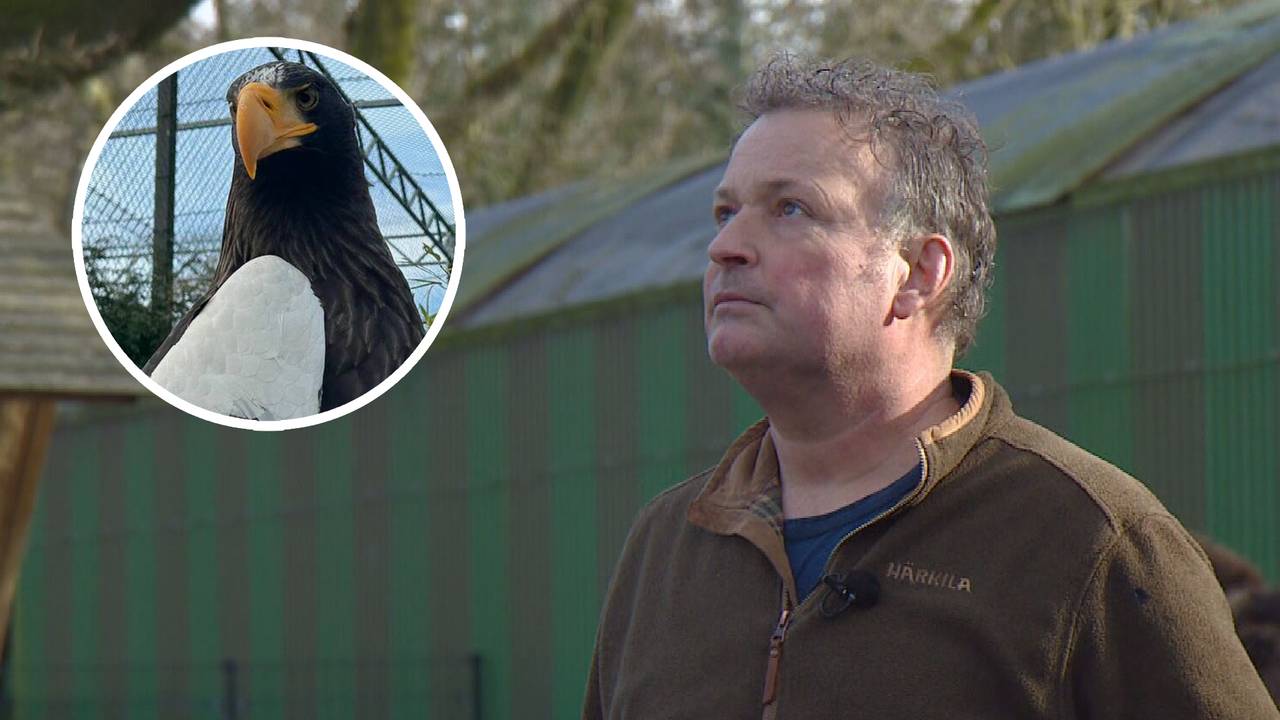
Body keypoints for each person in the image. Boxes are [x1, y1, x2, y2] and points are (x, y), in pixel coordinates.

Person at [582, 53, 1279, 719]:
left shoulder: (1095, 543)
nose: (724, 247)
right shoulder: (666, 547)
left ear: (919, 273)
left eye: (790, 208)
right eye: (724, 212)